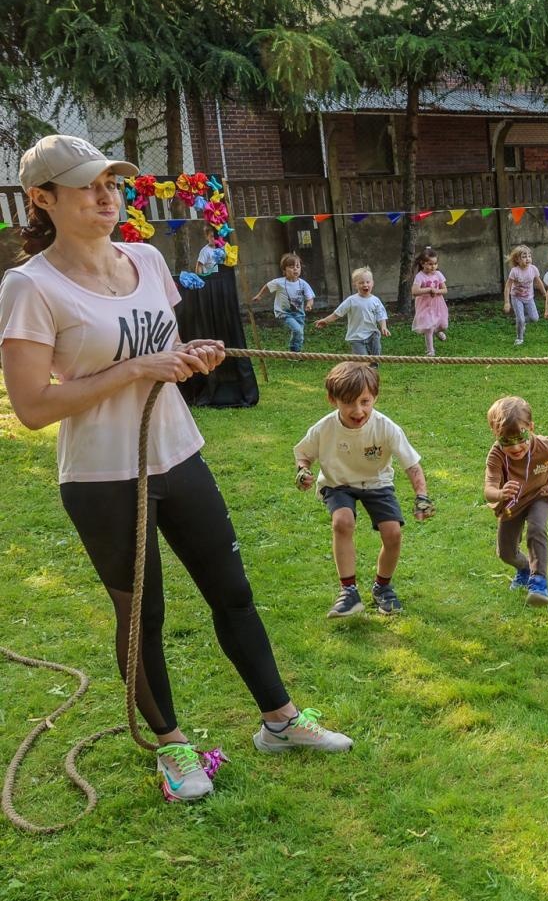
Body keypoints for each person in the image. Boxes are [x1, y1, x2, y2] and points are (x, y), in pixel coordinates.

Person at [0, 134, 351, 805]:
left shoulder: (146, 258)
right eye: (88, 186)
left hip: (178, 455)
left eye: (113, 183)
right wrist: (134, 369)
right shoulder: (29, 287)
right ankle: (170, 743)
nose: (108, 196)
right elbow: (34, 406)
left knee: (234, 591)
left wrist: (192, 354)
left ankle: (279, 720)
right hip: (103, 477)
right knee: (143, 616)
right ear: (42, 198)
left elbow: (160, 349)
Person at [293, 361, 433, 618]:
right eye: (349, 403)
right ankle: (348, 592)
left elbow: (412, 465)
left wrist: (421, 495)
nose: (358, 411)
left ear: (375, 398)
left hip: (377, 482)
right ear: (332, 399)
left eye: (365, 402)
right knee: (342, 522)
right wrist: (303, 471)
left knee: (392, 533)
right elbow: (303, 455)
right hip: (338, 483)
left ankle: (383, 587)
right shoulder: (323, 428)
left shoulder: (386, 427)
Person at [483, 395, 548, 607]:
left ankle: (538, 582)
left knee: (537, 527)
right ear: (495, 435)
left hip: (540, 495)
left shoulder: (545, 446)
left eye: (521, 437)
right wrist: (500, 493)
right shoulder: (496, 456)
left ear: (531, 427)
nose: (516, 447)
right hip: (512, 504)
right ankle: (525, 568)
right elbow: (489, 489)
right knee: (506, 553)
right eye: (506, 441)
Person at [315, 266, 388, 356]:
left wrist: (383, 327)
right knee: (362, 361)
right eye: (361, 283)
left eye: (368, 282)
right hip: (356, 337)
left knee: (375, 358)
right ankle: (362, 368)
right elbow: (337, 313)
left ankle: (374, 369)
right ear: (355, 285)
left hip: (372, 334)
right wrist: (325, 320)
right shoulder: (351, 300)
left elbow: (381, 315)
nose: (365, 285)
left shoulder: (375, 300)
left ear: (372, 283)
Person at [251, 252, 315, 352]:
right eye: (291, 266)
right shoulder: (279, 282)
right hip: (284, 313)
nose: (295, 269)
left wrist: (309, 305)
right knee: (297, 330)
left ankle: (295, 352)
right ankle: (294, 352)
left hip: (299, 314)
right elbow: (268, 287)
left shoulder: (303, 284)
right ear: (284, 270)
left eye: (297, 266)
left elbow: (310, 297)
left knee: (299, 333)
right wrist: (259, 296)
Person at [502, 243, 544, 347]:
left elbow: (539, 282)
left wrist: (545, 293)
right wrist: (507, 302)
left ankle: (522, 322)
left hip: (529, 298)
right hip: (516, 298)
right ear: (517, 259)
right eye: (524, 257)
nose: (527, 259)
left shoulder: (533, 269)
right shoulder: (515, 271)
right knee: (520, 319)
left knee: (535, 318)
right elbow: (507, 287)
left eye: (529, 256)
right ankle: (519, 338)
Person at [410, 245, 449, 356]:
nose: (433, 267)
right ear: (423, 263)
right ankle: (430, 350)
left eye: (435, 264)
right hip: (425, 304)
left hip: (437, 304)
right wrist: (428, 289)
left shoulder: (438, 274)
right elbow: (415, 291)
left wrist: (436, 291)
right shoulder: (420, 276)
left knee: (443, 325)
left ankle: (437, 331)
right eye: (430, 264)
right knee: (428, 327)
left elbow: (445, 290)